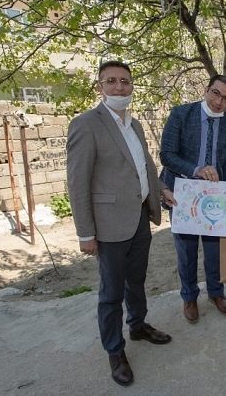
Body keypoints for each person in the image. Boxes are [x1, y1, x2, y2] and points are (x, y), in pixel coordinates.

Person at [66, 60, 176, 387]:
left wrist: (162, 190)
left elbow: (145, 167)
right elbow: (77, 183)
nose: (119, 87)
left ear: (131, 86)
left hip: (140, 217)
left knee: (136, 280)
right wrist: (86, 233)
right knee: (111, 292)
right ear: (100, 87)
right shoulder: (86, 124)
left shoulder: (135, 125)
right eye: (111, 81)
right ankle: (115, 350)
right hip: (109, 225)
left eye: (124, 81)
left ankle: (138, 325)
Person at [159, 75, 226, 323]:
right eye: (215, 93)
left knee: (215, 250)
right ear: (206, 90)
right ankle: (189, 297)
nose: (219, 102)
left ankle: (216, 292)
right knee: (186, 250)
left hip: (216, 198)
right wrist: (196, 170)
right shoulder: (181, 115)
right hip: (182, 194)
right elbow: (167, 155)